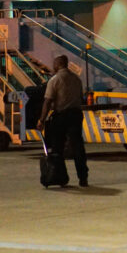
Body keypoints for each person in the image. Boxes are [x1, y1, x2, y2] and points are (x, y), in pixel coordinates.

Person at [39, 55, 88, 187]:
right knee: (78, 146)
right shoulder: (77, 79)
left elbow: (47, 101)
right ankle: (83, 177)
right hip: (76, 115)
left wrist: (42, 120)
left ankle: (59, 176)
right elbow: (80, 98)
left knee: (57, 148)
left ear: (58, 65)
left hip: (61, 116)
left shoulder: (54, 80)